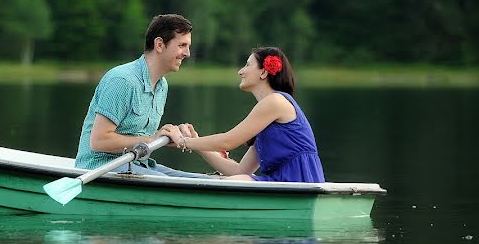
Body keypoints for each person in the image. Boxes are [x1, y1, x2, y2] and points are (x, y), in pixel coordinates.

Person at [74, 13, 209, 178]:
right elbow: (99, 141)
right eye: (182, 45)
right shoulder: (122, 80)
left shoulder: (162, 85)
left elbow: (147, 139)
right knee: (170, 185)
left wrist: (171, 136)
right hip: (100, 168)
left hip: (139, 164)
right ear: (159, 44)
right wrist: (152, 139)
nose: (187, 53)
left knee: (203, 180)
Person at [162, 46, 325, 182]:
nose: (241, 71)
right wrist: (197, 143)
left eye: (247, 65)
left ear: (263, 72)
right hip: (282, 182)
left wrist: (183, 141)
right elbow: (239, 170)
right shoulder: (268, 112)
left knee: (226, 184)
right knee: (231, 180)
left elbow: (228, 141)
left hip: (297, 181)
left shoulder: (275, 102)